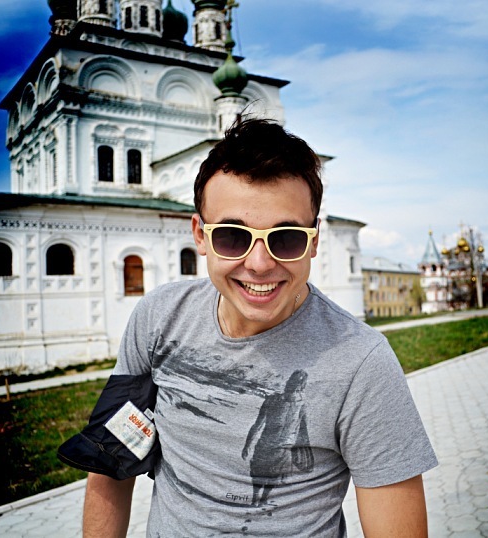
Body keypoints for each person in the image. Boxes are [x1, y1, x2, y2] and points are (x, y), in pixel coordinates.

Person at [82, 118, 438, 537]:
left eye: (286, 238)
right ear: (200, 235)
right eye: (232, 236)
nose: (259, 263)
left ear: (314, 241)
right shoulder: (158, 318)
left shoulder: (362, 362)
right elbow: (111, 457)